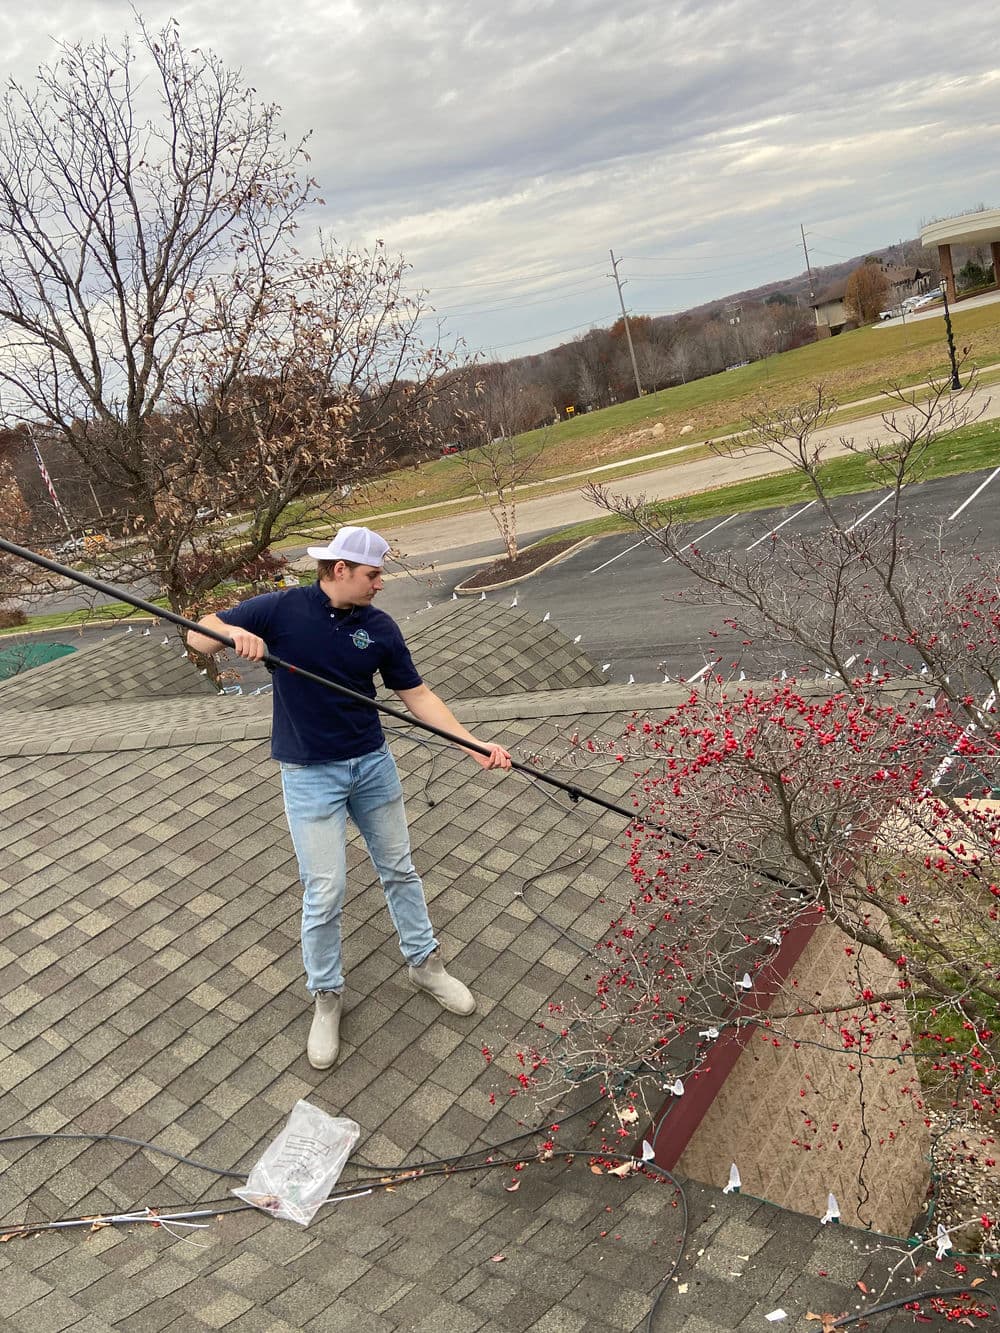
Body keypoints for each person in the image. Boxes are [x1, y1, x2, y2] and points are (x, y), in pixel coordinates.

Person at [187, 526, 511, 1069]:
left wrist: (470, 743)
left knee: (400, 869)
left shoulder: (379, 627)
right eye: (373, 574)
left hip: (372, 766)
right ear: (340, 570)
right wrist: (225, 633)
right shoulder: (281, 609)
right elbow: (198, 635)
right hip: (310, 774)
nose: (380, 583)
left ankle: (425, 965)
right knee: (325, 890)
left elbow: (417, 694)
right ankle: (327, 995)